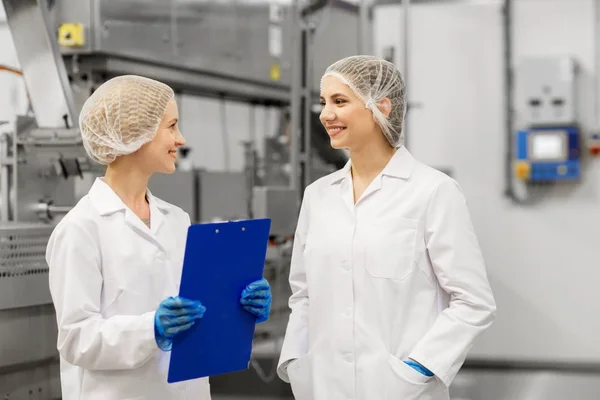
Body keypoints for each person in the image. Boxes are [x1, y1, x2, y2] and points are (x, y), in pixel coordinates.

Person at [277, 55, 496, 400]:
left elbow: (474, 301)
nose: (325, 114)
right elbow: (303, 294)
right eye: (324, 103)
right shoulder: (317, 196)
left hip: (399, 389)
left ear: (380, 106)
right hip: (324, 386)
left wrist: (419, 368)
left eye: (339, 101)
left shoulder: (432, 190)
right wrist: (295, 360)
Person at [46, 75, 272, 400]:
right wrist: (150, 329)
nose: (180, 139)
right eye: (172, 126)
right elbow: (76, 338)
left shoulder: (177, 219)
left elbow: (195, 310)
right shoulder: (81, 228)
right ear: (132, 132)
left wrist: (239, 307)